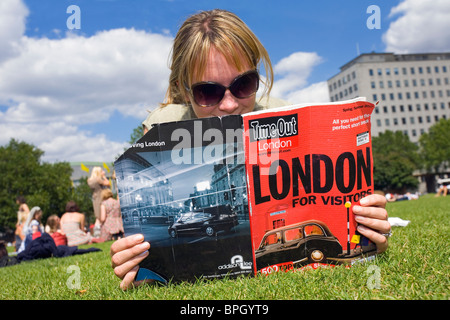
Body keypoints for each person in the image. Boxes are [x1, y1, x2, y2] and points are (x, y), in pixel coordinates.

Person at [110, 9, 391, 290]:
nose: (229, 104)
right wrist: (133, 260)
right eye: (207, 92)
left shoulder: (281, 112)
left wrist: (366, 232)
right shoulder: (163, 127)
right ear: (186, 91)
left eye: (243, 84)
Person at [87, 167, 111, 236]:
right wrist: (104, 176)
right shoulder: (98, 179)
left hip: (95, 198)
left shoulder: (89, 180)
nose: (103, 172)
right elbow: (108, 183)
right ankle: (97, 233)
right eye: (101, 171)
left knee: (97, 216)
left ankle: (97, 233)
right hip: (101, 197)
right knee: (100, 217)